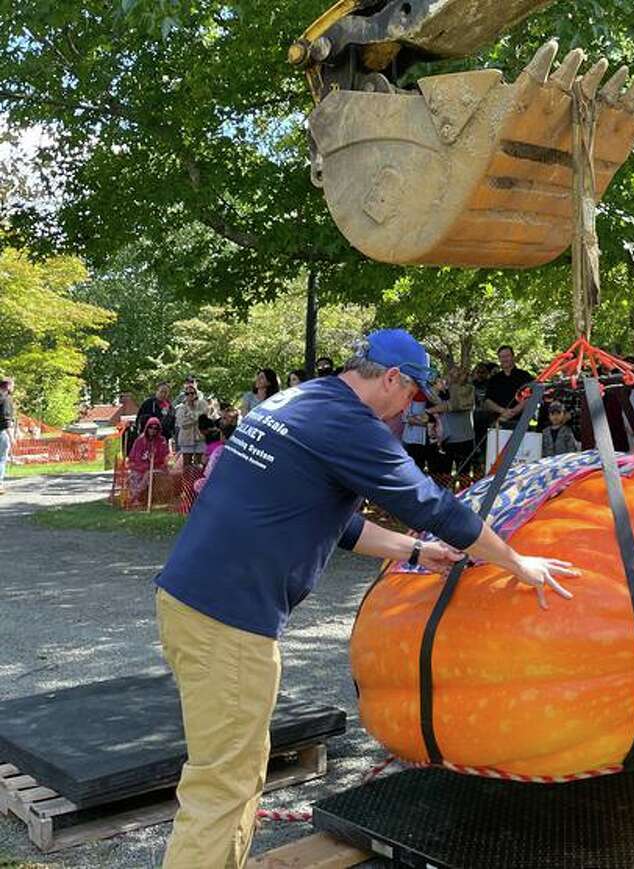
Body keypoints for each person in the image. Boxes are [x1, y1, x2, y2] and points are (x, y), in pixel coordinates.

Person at [153, 329, 577, 867]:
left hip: (189, 600)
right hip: (229, 621)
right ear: (394, 379)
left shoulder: (302, 400)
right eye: (413, 395)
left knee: (236, 767)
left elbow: (334, 519)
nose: (410, 407)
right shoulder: (349, 424)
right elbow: (435, 507)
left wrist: (415, 553)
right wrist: (518, 563)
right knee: (223, 782)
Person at [484, 346, 534, 431]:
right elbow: (487, 400)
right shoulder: (494, 379)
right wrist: (503, 411)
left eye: (507, 356)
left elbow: (530, 397)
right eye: (502, 357)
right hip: (498, 422)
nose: (504, 359)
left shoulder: (525, 376)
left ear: (513, 357)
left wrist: (513, 411)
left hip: (521, 422)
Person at [128, 417, 170, 503]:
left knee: (148, 474)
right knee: (134, 475)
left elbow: (164, 457)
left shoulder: (162, 441)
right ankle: (136, 498)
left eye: (156, 428)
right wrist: (141, 466)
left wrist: (154, 461)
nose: (153, 430)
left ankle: (135, 496)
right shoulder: (140, 440)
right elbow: (134, 457)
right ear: (147, 428)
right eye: (151, 427)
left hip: (157, 468)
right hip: (140, 467)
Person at [174, 382, 206, 467]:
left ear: (196, 394)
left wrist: (190, 417)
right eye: (187, 393)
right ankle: (186, 480)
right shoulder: (181, 408)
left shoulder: (202, 405)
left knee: (199, 464)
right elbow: (182, 424)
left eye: (192, 393)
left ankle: (198, 480)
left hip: (199, 438)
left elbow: (204, 418)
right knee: (187, 464)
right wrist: (196, 419)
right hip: (186, 438)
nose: (190, 395)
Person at [0, 377, 14, 494]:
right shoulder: (6, 399)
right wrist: (11, 436)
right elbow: (6, 419)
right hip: (1, 432)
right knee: (1, 459)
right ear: (8, 386)